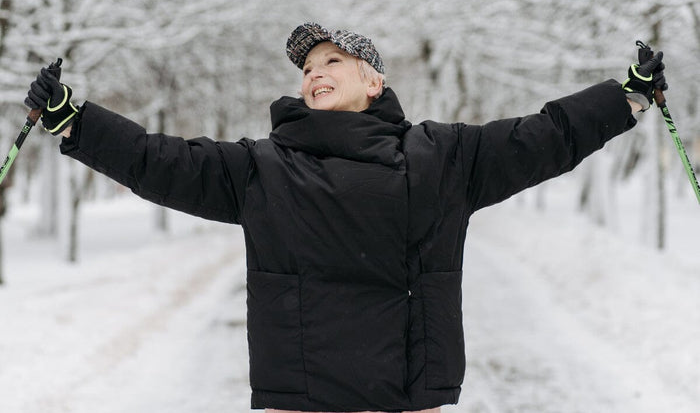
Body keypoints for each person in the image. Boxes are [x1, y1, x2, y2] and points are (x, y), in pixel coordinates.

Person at [25, 22, 666, 413]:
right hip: (303, 397)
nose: (315, 74)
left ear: (374, 83)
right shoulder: (260, 168)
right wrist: (73, 119)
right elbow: (157, 161)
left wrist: (626, 95)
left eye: (332, 62)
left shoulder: (443, 156)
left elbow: (543, 136)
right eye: (308, 69)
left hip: (406, 396)